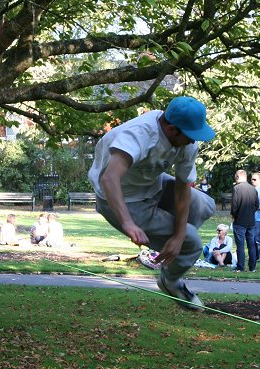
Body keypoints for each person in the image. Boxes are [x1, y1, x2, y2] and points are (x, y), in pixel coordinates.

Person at [88, 96, 216, 312]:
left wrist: (177, 236)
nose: (194, 141)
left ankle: (173, 256)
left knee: (205, 206)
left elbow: (183, 187)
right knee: (193, 242)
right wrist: (127, 223)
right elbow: (109, 178)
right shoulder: (139, 134)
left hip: (152, 185)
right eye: (191, 136)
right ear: (173, 129)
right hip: (122, 200)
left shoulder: (185, 143)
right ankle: (172, 281)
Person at [231, 169, 259, 272]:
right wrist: (251, 212)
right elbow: (257, 205)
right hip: (251, 221)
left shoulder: (237, 188)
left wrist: (234, 215)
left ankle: (241, 267)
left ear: (237, 177)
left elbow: (234, 205)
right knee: (251, 244)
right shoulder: (253, 189)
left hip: (240, 221)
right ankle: (252, 267)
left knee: (240, 245)